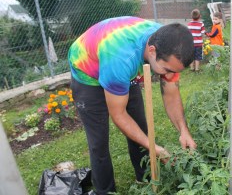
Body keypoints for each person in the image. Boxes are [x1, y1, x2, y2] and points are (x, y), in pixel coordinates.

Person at [68, 16, 197, 195]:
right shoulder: (121, 59)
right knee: (98, 142)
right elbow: (119, 115)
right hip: (88, 74)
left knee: (140, 128)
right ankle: (105, 191)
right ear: (152, 51)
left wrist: (183, 130)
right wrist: (154, 148)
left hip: (118, 65)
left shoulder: (169, 44)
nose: (169, 75)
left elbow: (171, 93)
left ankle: (144, 178)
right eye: (167, 70)